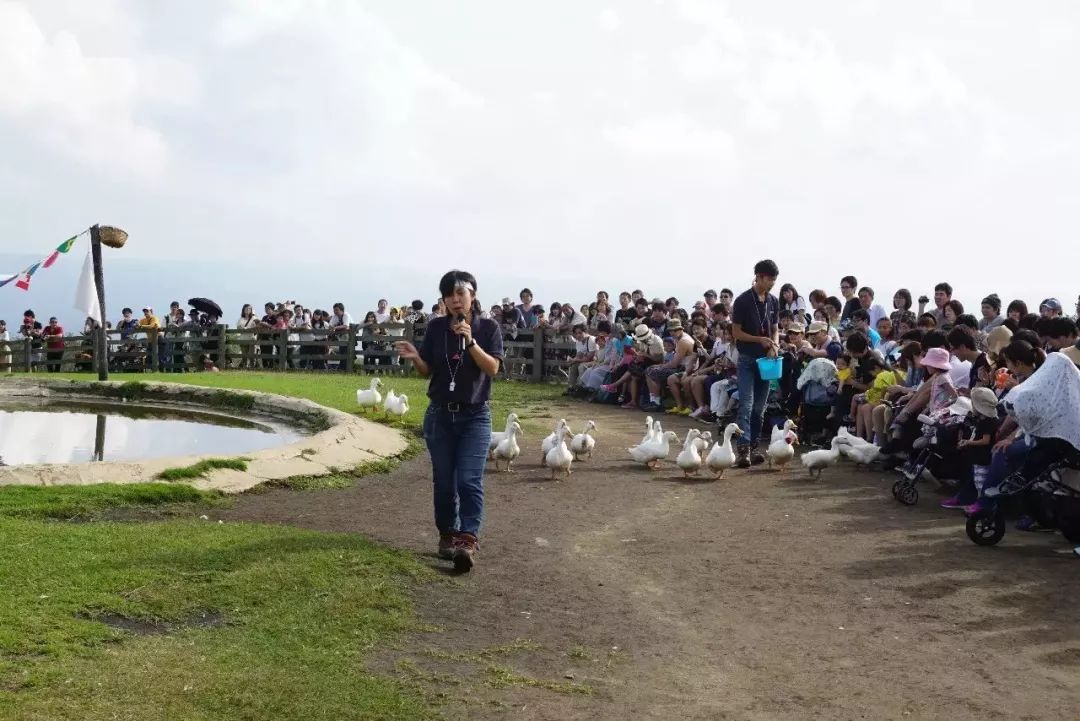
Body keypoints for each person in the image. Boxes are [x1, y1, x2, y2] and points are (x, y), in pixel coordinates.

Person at [394, 270, 503, 573]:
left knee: (468, 480)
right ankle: (447, 534)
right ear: (443, 299)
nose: (456, 300)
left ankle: (467, 540)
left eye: (461, 293)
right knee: (444, 483)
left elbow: (492, 368)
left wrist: (470, 342)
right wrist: (416, 357)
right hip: (440, 415)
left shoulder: (488, 327)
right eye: (449, 295)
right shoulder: (436, 328)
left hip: (475, 416)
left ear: (473, 295)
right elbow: (427, 371)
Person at [731, 259, 781, 467]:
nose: (772, 283)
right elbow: (736, 333)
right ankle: (742, 450)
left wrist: (774, 345)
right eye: (769, 279)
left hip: (767, 361)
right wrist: (758, 340)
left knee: (760, 407)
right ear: (758, 277)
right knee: (746, 404)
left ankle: (754, 447)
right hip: (747, 359)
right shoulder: (743, 300)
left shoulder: (773, 301)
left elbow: (776, 329)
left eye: (774, 280)